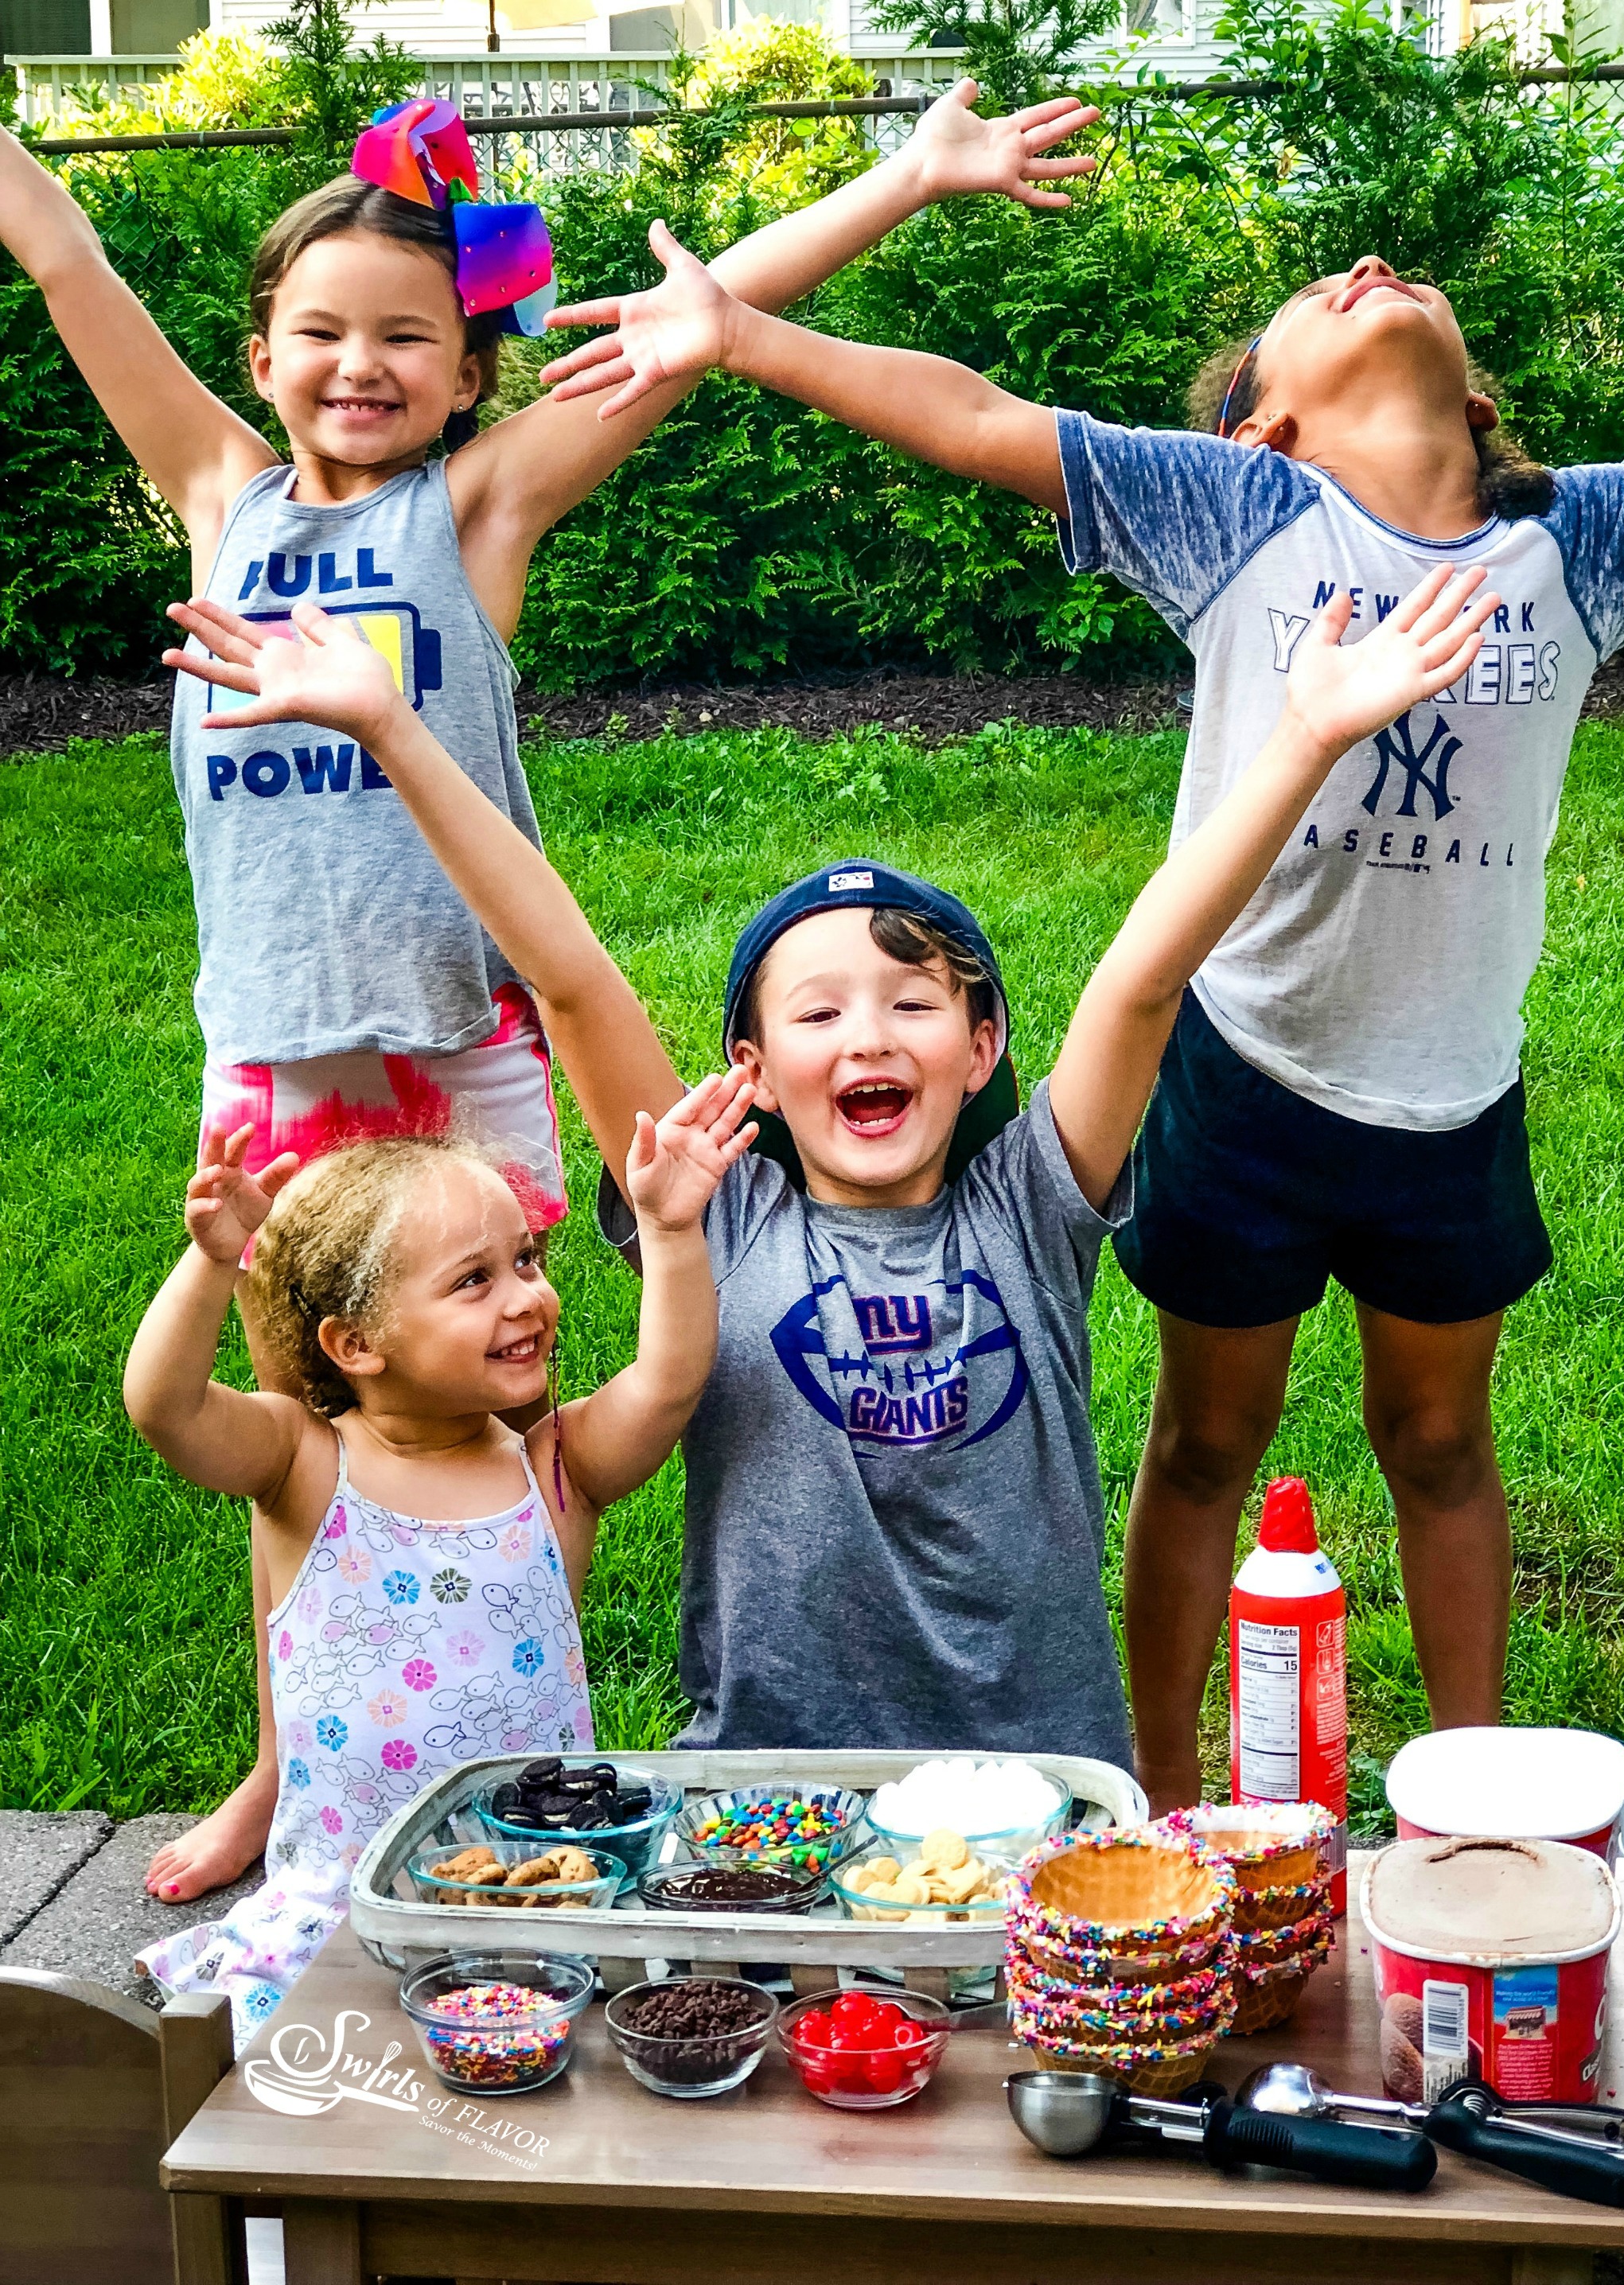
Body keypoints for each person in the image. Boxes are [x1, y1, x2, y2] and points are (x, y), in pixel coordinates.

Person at [533, 226, 1624, 1808]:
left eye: (1387, 279)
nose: (1364, 261)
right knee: (1208, 1445)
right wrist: (741, 334)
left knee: (1438, 1440)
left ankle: (1482, 1796)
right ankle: (1150, 1786)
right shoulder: (1234, 508)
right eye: (1316, 293)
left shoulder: (1586, 533)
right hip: (1240, 1068)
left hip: (1450, 1091)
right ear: (1262, 423)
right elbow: (971, 415)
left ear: (1481, 409)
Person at [0, 83, 1100, 1897]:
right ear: (262, 347)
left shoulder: (479, 504)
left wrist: (907, 173)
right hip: (278, 1066)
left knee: (506, 1416)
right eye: (324, 332)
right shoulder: (214, 492)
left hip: (466, 1058)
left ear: (465, 377)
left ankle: (521, 1745)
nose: (361, 365)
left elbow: (686, 332)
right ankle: (302, 1763)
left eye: (407, 340)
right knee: (314, 1440)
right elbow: (55, 243)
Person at [163, 550, 1500, 1769]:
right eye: (816, 1012)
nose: (868, 1030)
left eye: (915, 1004)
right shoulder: (711, 1202)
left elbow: (1147, 978)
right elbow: (566, 979)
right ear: (749, 1068)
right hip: (768, 1773)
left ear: (982, 1048)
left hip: (1039, 1775)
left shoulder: (1033, 1200)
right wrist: (395, 726)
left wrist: (1310, 736)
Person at [125, 1072, 757, 2049]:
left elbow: (669, 1383)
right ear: (356, 1342)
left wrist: (671, 1231)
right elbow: (164, 1409)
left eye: (528, 1259)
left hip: (542, 1885)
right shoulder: (303, 1462)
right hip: (347, 1893)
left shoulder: (556, 1467)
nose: (528, 1297)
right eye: (476, 1279)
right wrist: (212, 1265)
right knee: (313, 2086)